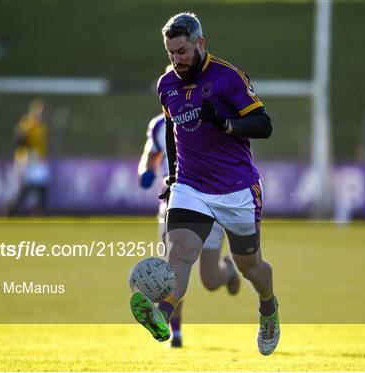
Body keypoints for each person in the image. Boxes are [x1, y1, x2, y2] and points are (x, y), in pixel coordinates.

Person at [130, 13, 280, 356]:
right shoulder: (166, 84)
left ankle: (268, 308)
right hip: (191, 187)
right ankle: (162, 316)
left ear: (200, 43)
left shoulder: (228, 78)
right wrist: (173, 177)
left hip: (237, 188)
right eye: (170, 54)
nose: (176, 60)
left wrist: (226, 124)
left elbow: (264, 125)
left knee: (250, 267)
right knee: (179, 253)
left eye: (181, 51)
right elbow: (170, 129)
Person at [138, 111, 241, 348]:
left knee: (209, 279)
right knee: (171, 268)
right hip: (172, 206)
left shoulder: (209, 120)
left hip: (210, 204)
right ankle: (175, 331)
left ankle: (227, 273)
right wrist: (146, 171)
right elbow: (150, 157)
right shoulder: (157, 125)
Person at [3, 98, 50, 216]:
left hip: (38, 161)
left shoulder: (42, 126)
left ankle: (39, 212)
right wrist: (28, 154)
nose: (41, 114)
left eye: (43, 112)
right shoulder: (27, 124)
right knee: (23, 189)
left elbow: (41, 145)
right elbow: (20, 141)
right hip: (26, 160)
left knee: (42, 187)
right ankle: (8, 212)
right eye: (39, 111)